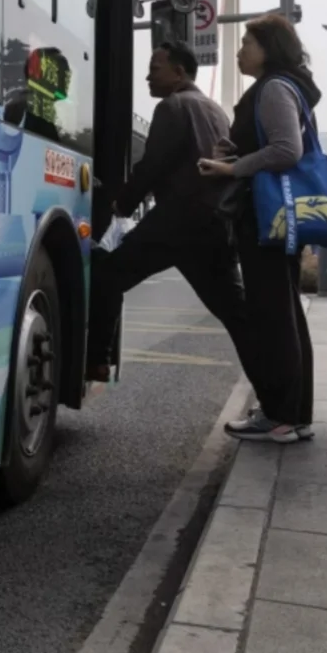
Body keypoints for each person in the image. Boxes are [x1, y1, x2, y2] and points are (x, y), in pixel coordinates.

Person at [88, 42, 263, 393]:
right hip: (215, 225)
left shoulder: (173, 107)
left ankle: (98, 360)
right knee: (239, 317)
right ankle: (276, 397)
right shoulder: (216, 110)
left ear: (179, 72)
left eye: (155, 68)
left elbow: (152, 166)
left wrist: (121, 205)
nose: (148, 76)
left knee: (106, 274)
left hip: (176, 223)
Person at [198, 12, 321, 443]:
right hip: (275, 216)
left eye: (246, 43)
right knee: (283, 312)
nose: (238, 50)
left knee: (274, 315)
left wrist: (231, 169)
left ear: (268, 49)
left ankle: (282, 415)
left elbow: (287, 149)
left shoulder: (272, 88)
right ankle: (292, 413)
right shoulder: (281, 87)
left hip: (266, 216)